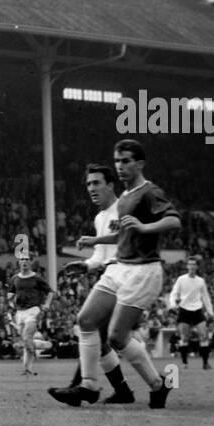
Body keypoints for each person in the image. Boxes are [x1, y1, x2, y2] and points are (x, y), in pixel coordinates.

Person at [50, 139, 181, 409]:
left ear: (140, 163)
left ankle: (158, 385)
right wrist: (95, 243)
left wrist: (145, 228)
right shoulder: (124, 198)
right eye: (117, 161)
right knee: (85, 320)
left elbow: (173, 220)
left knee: (116, 337)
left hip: (143, 271)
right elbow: (124, 233)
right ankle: (88, 384)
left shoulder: (149, 191)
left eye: (126, 161)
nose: (120, 166)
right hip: (120, 266)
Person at [51, 164, 135, 403]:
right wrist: (86, 265)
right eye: (88, 184)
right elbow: (100, 255)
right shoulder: (100, 217)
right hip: (108, 276)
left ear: (110, 184)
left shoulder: (124, 208)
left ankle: (80, 387)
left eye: (97, 183)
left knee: (90, 325)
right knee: (99, 336)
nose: (91, 188)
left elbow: (127, 243)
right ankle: (123, 391)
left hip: (125, 276)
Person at [7, 257, 53, 376]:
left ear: (31, 262)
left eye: (27, 259)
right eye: (22, 260)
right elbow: (10, 295)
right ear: (19, 263)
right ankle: (29, 365)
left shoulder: (36, 278)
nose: (24, 262)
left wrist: (47, 304)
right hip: (20, 312)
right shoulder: (15, 278)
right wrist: (11, 300)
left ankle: (29, 365)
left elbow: (50, 291)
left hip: (33, 310)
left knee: (27, 337)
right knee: (27, 342)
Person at [169, 256, 214, 369]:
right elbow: (174, 293)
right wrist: (173, 305)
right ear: (187, 266)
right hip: (184, 309)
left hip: (197, 310)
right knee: (184, 337)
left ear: (197, 267)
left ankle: (205, 363)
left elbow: (206, 297)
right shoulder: (181, 279)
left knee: (203, 336)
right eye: (190, 264)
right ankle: (184, 362)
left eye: (194, 264)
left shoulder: (200, 281)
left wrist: (210, 311)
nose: (192, 266)